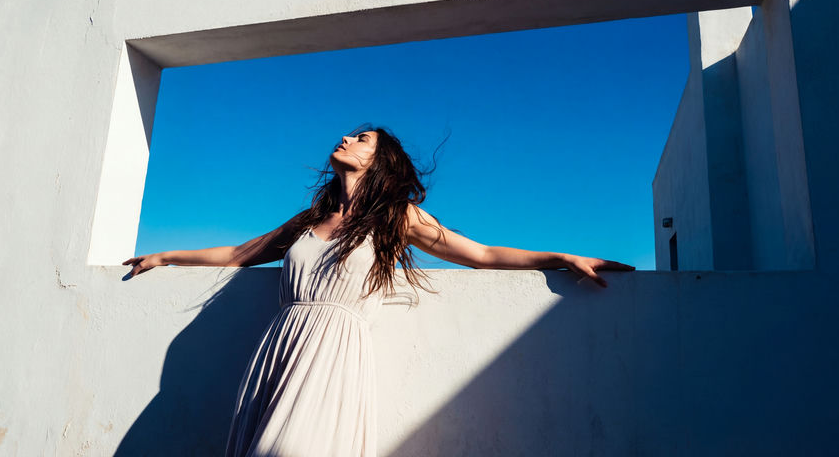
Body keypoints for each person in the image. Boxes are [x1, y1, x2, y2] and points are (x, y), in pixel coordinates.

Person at [122, 125, 635, 456]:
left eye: (362, 138)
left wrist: (562, 257)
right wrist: (165, 255)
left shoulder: (397, 216)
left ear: (380, 160)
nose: (346, 139)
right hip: (280, 349)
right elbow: (240, 253)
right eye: (350, 134)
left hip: (334, 357)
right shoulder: (309, 220)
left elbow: (477, 254)